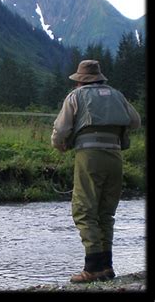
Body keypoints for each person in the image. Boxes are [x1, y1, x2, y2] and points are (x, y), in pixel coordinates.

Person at [51, 60, 141, 283]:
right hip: (115, 158)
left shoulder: (75, 97)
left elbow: (61, 129)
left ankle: (92, 268)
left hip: (89, 158)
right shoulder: (117, 95)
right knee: (105, 213)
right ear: (100, 78)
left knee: (84, 210)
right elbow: (135, 122)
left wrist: (59, 143)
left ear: (80, 80)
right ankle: (107, 268)